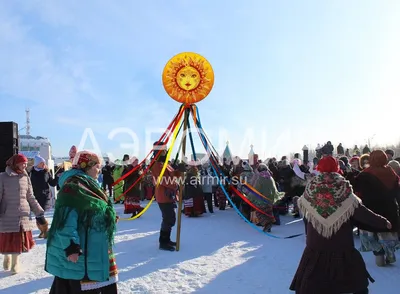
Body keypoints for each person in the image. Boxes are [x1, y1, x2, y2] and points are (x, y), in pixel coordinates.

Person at [290, 156, 392, 294]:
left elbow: (304, 209)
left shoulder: (311, 188)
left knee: (311, 285)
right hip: (341, 246)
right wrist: (383, 222)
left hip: (315, 247)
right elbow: (361, 212)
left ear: (319, 168)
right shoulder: (343, 188)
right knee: (357, 286)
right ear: (337, 168)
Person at [46, 151, 118, 293]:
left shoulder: (90, 184)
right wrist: (71, 247)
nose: (100, 170)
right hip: (83, 253)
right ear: (87, 166)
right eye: (97, 166)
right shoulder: (73, 187)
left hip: (96, 249)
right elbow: (65, 222)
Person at [0, 154, 47, 274]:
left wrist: (38, 210)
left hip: (22, 213)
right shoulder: (3, 177)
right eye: (23, 163)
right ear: (15, 163)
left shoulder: (25, 178)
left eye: (26, 163)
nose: (25, 166)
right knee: (8, 238)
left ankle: (15, 263)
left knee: (17, 239)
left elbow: (30, 196)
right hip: (7, 213)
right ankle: (7, 257)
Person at [353, 150, 400, 266]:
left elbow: (358, 193)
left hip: (372, 210)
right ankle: (390, 255)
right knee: (387, 233)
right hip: (390, 209)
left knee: (374, 235)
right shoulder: (391, 172)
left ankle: (380, 259)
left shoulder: (364, 174)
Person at [150, 141, 184, 251]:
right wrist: (176, 183)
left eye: (165, 149)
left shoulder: (165, 164)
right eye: (163, 149)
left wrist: (180, 170)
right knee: (168, 218)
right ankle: (163, 242)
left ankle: (166, 239)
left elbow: (173, 174)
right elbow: (164, 180)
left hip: (169, 196)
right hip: (163, 195)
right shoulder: (156, 165)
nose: (165, 150)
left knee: (170, 218)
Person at [30, 155, 58, 238]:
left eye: (44, 163)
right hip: (35, 196)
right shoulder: (31, 173)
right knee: (37, 215)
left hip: (45, 196)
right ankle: (42, 231)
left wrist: (57, 177)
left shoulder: (46, 172)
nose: (43, 165)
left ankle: (45, 231)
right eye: (41, 163)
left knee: (40, 214)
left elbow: (52, 183)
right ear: (37, 164)